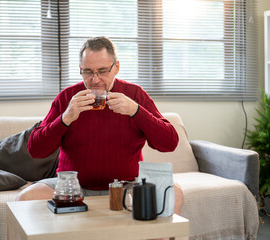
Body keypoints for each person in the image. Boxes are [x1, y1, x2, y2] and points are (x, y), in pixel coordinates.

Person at [16, 36, 184, 214]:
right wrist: (65, 118)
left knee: (176, 192)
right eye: (88, 72)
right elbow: (35, 150)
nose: (95, 80)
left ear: (116, 67)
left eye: (102, 71)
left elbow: (169, 143)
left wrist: (136, 111)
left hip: (126, 185)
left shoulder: (134, 94)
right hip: (73, 187)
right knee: (26, 198)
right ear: (80, 69)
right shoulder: (68, 97)